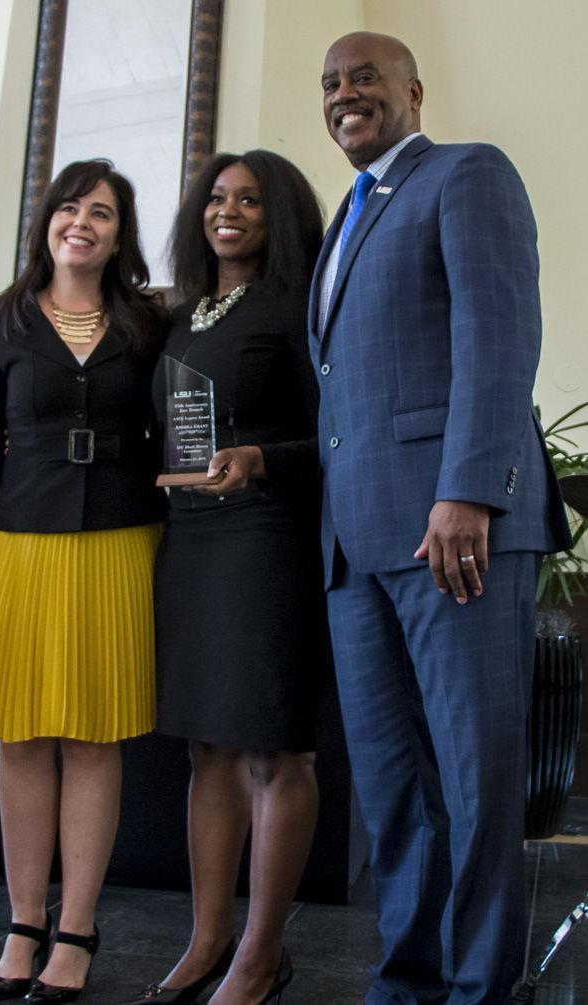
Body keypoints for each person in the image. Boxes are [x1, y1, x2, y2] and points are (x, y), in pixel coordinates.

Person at [311, 31, 572, 1005]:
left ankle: (478, 987)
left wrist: (465, 489)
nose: (345, 94)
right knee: (393, 791)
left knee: (473, 779)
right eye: (331, 83)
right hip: (355, 547)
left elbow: (499, 334)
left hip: (451, 532)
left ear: (413, 90)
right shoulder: (345, 216)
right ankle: (408, 979)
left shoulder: (466, 175)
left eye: (364, 77)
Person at [0, 159, 166, 1003]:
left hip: (119, 541)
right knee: (20, 735)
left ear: (120, 235)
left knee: (94, 735)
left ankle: (76, 928)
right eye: (71, 207)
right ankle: (21, 923)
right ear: (47, 220)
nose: (83, 222)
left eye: (103, 213)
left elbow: (171, 428)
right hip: (19, 543)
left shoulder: (149, 323)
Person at [124, 150, 325, 1005]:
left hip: (267, 536)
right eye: (215, 197)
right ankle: (208, 940)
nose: (227, 210)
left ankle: (260, 952)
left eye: (248, 198)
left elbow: (338, 438)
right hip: (192, 540)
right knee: (208, 745)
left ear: (278, 214)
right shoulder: (181, 317)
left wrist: (261, 459)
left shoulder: (301, 305)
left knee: (274, 747)